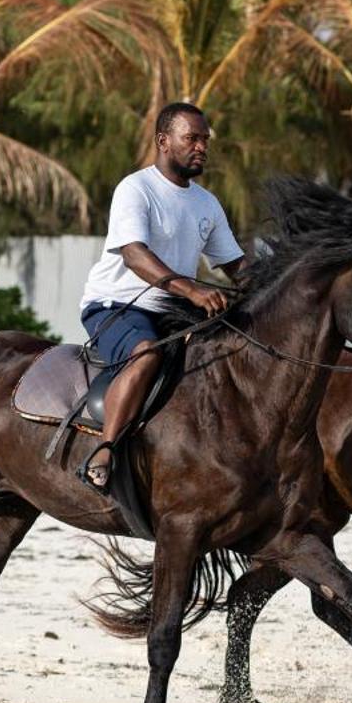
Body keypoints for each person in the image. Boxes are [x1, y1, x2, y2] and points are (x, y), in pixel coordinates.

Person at [79, 101, 246, 489]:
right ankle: (106, 449)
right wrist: (190, 288)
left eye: (205, 140)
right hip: (117, 305)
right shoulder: (136, 189)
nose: (202, 147)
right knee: (147, 353)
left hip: (175, 310)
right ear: (163, 141)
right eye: (192, 138)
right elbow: (135, 254)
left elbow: (237, 265)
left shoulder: (207, 203)